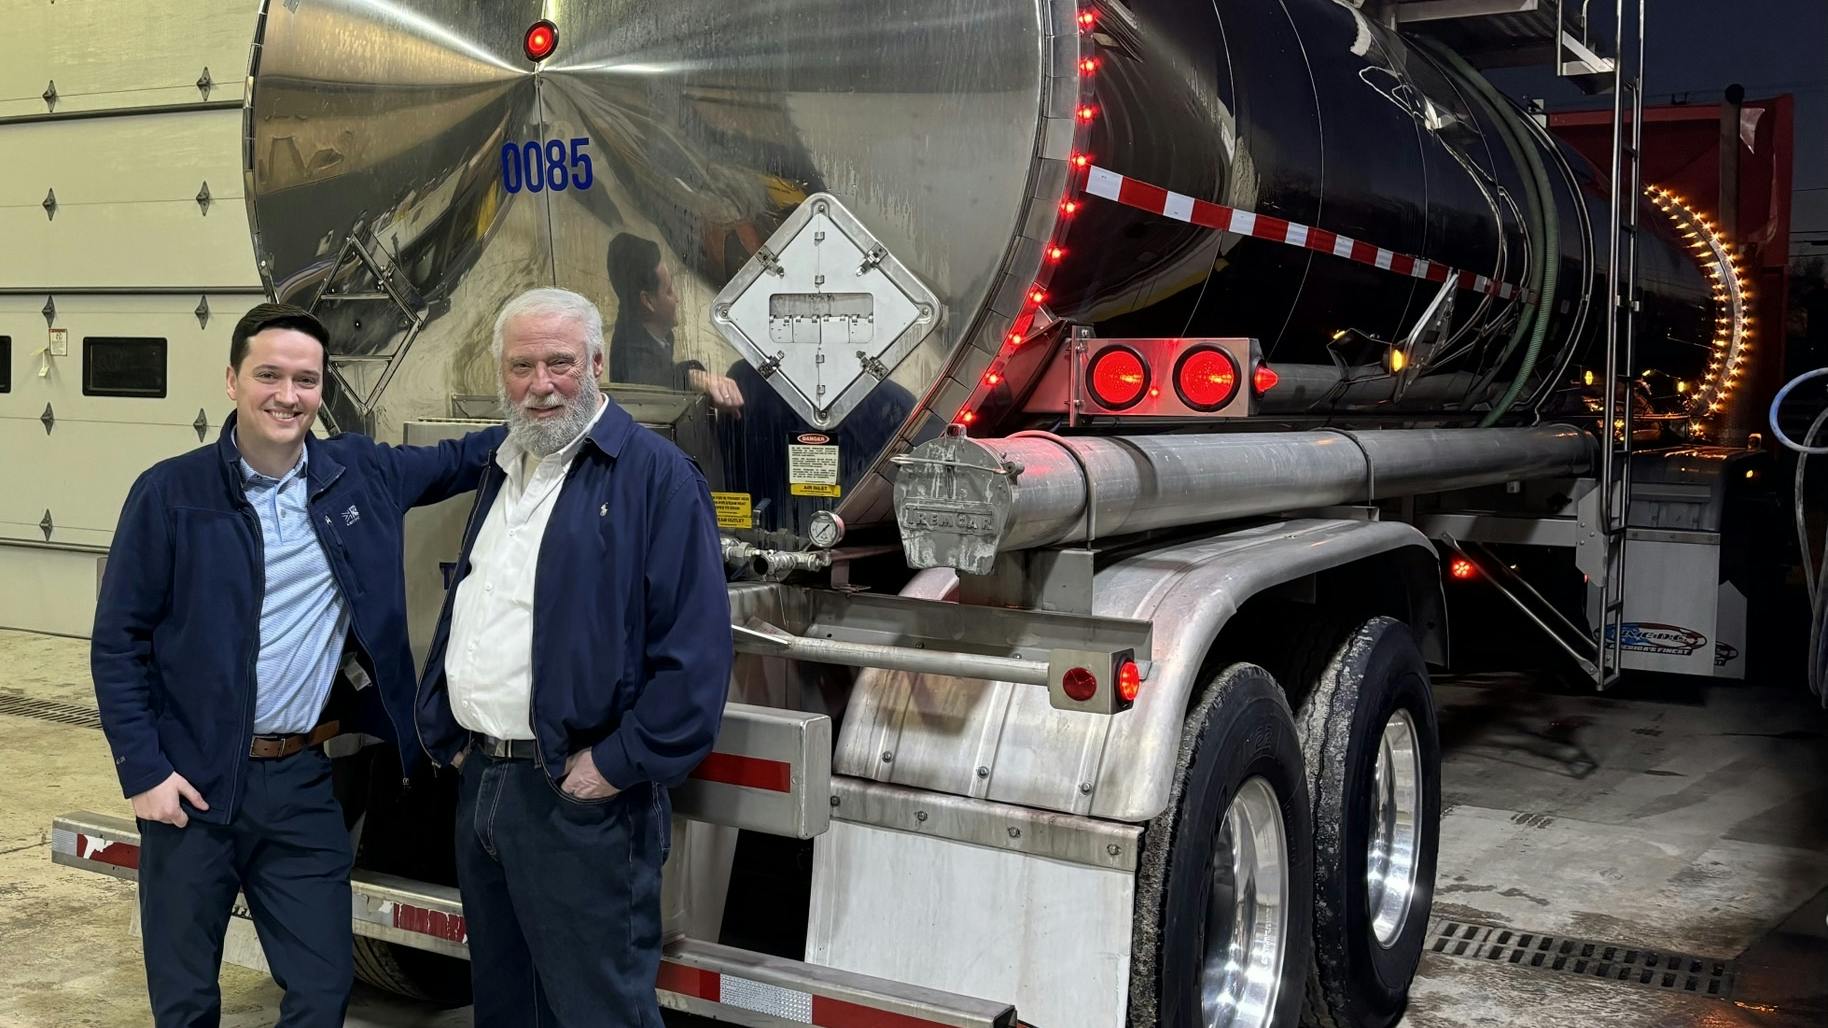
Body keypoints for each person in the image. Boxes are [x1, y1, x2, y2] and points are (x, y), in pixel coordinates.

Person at [91, 303, 505, 1026]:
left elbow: (465, 457)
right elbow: (118, 643)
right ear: (231, 380)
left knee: (322, 985)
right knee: (186, 999)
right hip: (192, 783)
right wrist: (145, 772)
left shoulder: (358, 474)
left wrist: (556, 405)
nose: (289, 395)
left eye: (306, 380)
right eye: (270, 375)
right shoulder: (170, 493)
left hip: (300, 783)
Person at [414, 287, 732, 1027]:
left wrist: (612, 767)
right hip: (486, 786)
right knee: (507, 1006)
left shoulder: (654, 476)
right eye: (522, 365)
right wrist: (449, 734)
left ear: (598, 365)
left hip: (579, 800)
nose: (541, 383)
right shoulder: (504, 465)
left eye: (560, 362)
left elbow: (694, 656)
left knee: (599, 1012)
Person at [606, 231, 745, 414]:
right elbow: (648, 381)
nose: (677, 299)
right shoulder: (630, 352)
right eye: (669, 291)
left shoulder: (650, 329)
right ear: (648, 301)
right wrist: (695, 377)